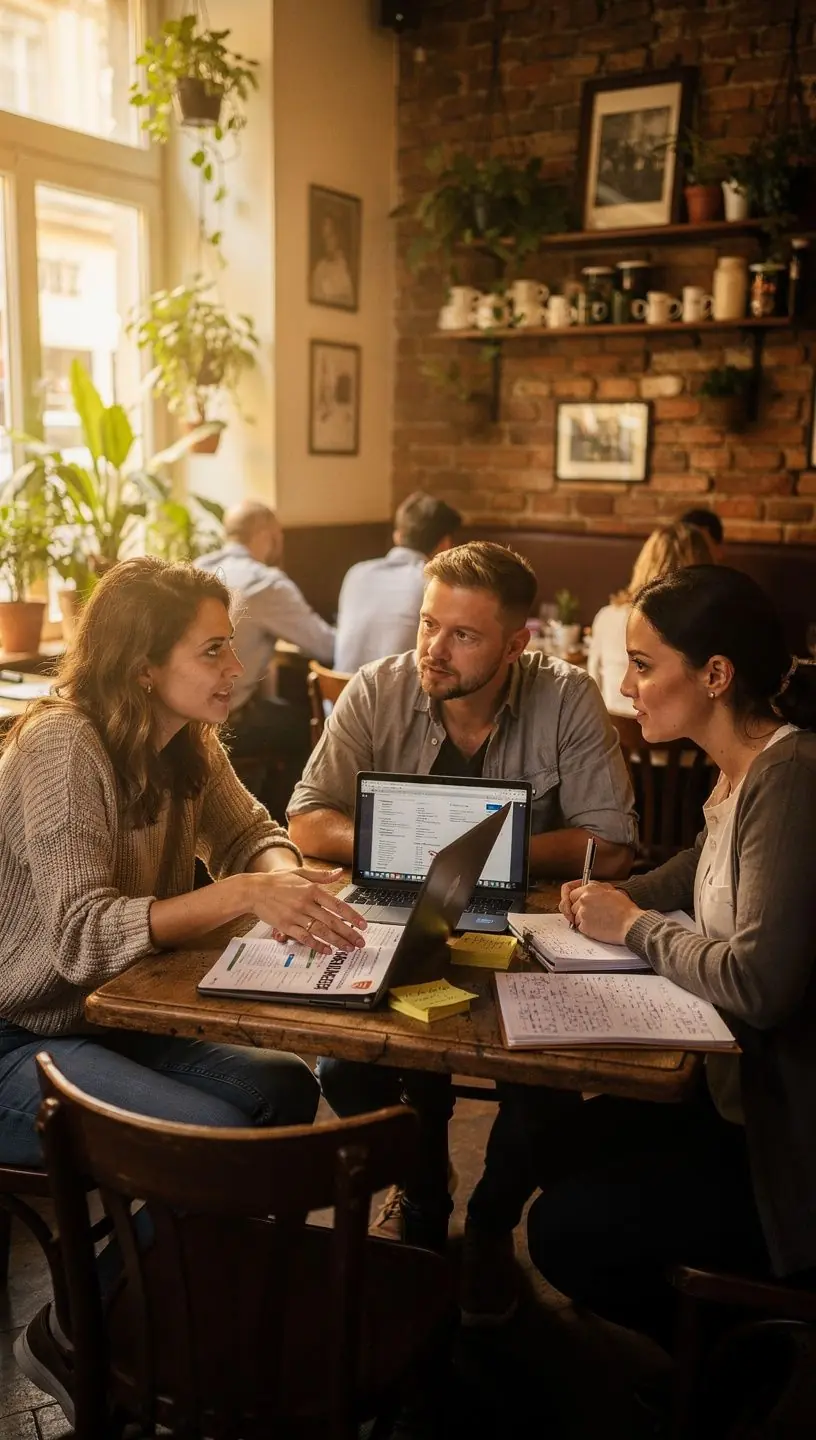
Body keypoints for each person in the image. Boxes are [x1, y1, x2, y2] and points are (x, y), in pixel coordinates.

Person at [288, 541, 636, 1286]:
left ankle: (490, 1220)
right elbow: (307, 819)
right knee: (344, 1068)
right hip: (397, 911)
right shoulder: (378, 689)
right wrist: (410, 849)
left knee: (544, 1088)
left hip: (527, 928)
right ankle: (421, 1191)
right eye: (427, 624)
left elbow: (610, 849)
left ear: (515, 644)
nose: (433, 650)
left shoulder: (566, 695)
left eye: (463, 635)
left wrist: (481, 855)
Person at [524, 564, 816, 1356]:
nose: (627, 687)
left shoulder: (790, 778)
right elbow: (697, 866)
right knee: (548, 1144)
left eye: (644, 665)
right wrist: (609, 897)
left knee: (560, 1232)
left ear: (715, 675)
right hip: (730, 1099)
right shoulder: (742, 767)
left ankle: (736, 1363)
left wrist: (632, 925)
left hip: (782, 1149)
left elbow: (759, 983)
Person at [198, 500, 336, 812]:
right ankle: (280, 818)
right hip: (226, 723)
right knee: (310, 730)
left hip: (185, 719)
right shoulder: (265, 583)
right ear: (266, 535)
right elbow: (325, 646)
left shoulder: (197, 569)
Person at [587, 522, 712, 715]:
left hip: (614, 731)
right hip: (674, 733)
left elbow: (592, 684)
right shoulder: (703, 625)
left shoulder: (607, 616)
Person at [334, 491, 461, 672]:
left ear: (398, 536)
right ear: (446, 544)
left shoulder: (356, 573)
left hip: (336, 689)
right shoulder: (433, 584)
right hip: (392, 690)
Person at [311, 212, 354, 306]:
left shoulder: (346, 267)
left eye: (330, 236)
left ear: (337, 236)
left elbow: (349, 301)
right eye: (324, 237)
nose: (327, 242)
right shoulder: (319, 268)